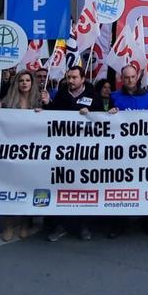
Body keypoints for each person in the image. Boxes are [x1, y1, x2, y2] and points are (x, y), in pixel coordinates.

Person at [106, 64, 148, 238]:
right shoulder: (114, 96)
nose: (129, 80)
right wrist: (109, 112)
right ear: (121, 79)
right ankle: (118, 223)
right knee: (121, 186)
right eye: (126, 77)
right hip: (121, 152)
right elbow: (104, 119)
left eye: (132, 77)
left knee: (145, 186)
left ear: (137, 77)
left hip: (145, 151)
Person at [44, 65, 98, 242]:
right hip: (64, 151)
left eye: (74, 77)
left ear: (83, 79)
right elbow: (53, 115)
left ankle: (84, 225)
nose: (71, 81)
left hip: (86, 151)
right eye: (69, 77)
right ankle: (59, 225)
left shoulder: (92, 95)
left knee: (83, 189)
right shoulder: (61, 94)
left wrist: (91, 115)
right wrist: (44, 108)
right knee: (62, 188)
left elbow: (104, 117)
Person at [0, 70, 41, 241]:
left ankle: (24, 224)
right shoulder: (7, 103)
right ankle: (8, 225)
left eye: (27, 80)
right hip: (12, 151)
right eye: (21, 80)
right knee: (9, 189)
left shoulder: (38, 102)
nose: (24, 83)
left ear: (32, 83)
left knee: (27, 188)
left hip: (32, 152)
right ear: (17, 83)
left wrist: (43, 112)